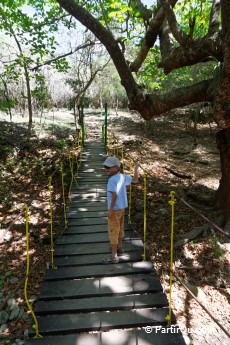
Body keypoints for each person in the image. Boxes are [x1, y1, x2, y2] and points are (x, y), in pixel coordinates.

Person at [102, 156, 139, 264]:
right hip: (122, 208)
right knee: (120, 227)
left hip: (114, 210)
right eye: (105, 167)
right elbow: (135, 180)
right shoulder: (122, 177)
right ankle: (120, 247)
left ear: (117, 168)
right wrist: (136, 168)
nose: (106, 169)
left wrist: (110, 210)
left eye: (109, 167)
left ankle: (114, 256)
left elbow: (114, 195)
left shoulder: (111, 180)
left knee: (113, 230)